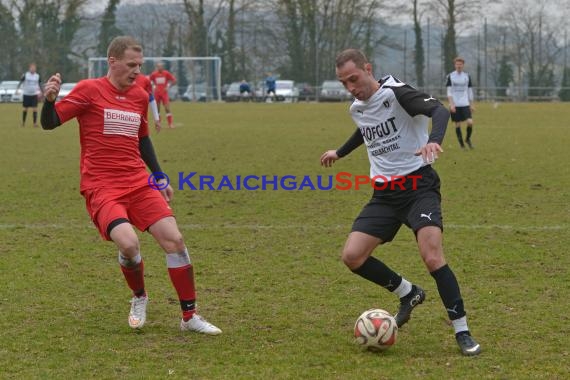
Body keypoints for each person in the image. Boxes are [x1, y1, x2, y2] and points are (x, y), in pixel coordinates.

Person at [40, 36, 221, 335]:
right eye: (131, 64)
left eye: (140, 65)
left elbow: (143, 139)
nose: (138, 71)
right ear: (112, 62)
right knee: (128, 243)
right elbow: (50, 123)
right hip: (101, 185)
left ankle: (189, 318)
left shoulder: (139, 95)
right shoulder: (89, 90)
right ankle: (139, 297)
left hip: (138, 182)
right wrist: (49, 101)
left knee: (174, 240)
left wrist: (159, 175)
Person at [320, 48, 481, 356]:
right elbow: (365, 130)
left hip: (419, 186)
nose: (351, 87)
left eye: (354, 78)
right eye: (344, 83)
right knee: (353, 256)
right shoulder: (357, 107)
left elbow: (440, 112)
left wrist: (434, 140)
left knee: (432, 256)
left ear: (368, 68)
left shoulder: (398, 93)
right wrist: (339, 152)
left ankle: (461, 330)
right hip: (385, 194)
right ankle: (408, 293)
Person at [446, 57, 475, 149]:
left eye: (460, 64)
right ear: (455, 65)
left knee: (470, 122)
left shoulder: (467, 76)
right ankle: (462, 144)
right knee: (457, 124)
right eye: (457, 64)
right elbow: (449, 92)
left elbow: (470, 91)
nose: (459, 66)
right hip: (455, 104)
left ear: (463, 65)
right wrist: (452, 104)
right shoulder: (450, 76)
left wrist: (472, 104)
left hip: (465, 104)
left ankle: (467, 139)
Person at [149, 62, 177, 128]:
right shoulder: (154, 74)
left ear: (163, 67)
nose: (159, 67)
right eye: (158, 66)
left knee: (167, 108)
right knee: (157, 109)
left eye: (161, 66)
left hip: (164, 93)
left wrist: (168, 86)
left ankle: (170, 124)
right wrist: (153, 86)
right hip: (157, 93)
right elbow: (149, 81)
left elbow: (174, 80)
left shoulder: (166, 73)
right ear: (157, 67)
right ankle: (159, 124)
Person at [17, 63, 42, 127]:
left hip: (34, 95)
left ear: (35, 69)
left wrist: (41, 92)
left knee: (35, 109)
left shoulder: (37, 76)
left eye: (34, 68)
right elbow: (20, 82)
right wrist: (17, 89)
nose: (33, 69)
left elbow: (39, 84)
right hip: (26, 94)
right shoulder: (25, 75)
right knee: (25, 109)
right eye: (32, 68)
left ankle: (35, 124)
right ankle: (23, 123)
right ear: (29, 68)